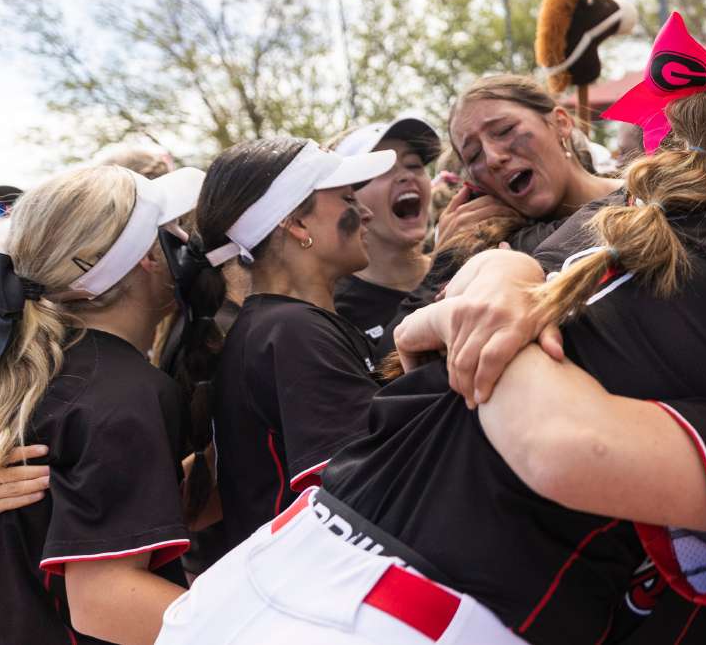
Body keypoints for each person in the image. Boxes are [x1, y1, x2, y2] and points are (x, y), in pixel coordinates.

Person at [156, 16, 706, 645]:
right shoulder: (618, 237)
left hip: (313, 577)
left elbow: (491, 391)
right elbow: (425, 346)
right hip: (378, 595)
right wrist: (496, 284)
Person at [0, 164, 204, 645]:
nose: (184, 241)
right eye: (170, 229)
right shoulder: (123, 391)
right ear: (147, 258)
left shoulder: (37, 367)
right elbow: (105, 602)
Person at [187, 137, 394, 555]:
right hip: (319, 591)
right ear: (298, 224)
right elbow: (367, 492)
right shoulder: (293, 333)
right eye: (350, 198)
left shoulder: (279, 325)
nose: (367, 212)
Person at [375, 74, 623, 355]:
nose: (493, 158)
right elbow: (390, 363)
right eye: (474, 155)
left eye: (505, 131)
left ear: (561, 123)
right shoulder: (491, 254)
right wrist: (445, 261)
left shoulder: (657, 195)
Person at [324, 114, 442, 344]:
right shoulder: (336, 311)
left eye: (414, 165)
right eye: (382, 169)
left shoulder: (465, 269)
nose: (407, 176)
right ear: (349, 197)